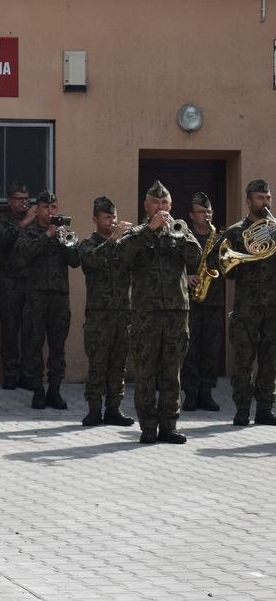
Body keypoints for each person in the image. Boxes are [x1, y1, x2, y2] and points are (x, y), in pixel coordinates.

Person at [116, 180, 201, 443]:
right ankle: (148, 427)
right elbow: (122, 256)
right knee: (145, 372)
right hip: (146, 313)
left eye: (165, 203)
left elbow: (195, 257)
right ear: (146, 205)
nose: (161, 207)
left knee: (171, 372)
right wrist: (150, 230)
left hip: (176, 311)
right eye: (156, 202)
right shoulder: (137, 232)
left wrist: (183, 234)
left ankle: (169, 425)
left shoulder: (180, 230)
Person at [219, 179, 276, 426]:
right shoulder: (235, 232)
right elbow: (226, 270)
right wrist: (243, 259)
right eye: (260, 198)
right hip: (246, 308)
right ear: (248, 201)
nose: (264, 203)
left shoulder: (275, 230)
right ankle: (242, 409)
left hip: (272, 306)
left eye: (268, 198)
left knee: (270, 360)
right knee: (243, 360)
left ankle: (265, 409)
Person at [16, 190, 79, 410]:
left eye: (53, 207)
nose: (50, 211)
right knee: (33, 344)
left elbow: (75, 261)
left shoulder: (64, 233)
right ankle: (38, 391)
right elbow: (24, 254)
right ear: (38, 209)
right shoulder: (30, 232)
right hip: (36, 296)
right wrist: (47, 235)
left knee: (57, 346)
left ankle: (55, 390)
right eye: (45, 207)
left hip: (59, 297)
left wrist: (65, 240)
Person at [77, 196, 135, 426]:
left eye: (114, 216)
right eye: (107, 217)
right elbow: (92, 261)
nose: (112, 221)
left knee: (118, 364)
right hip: (99, 314)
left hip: (123, 312)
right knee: (98, 363)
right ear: (95, 219)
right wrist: (114, 238)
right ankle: (94, 409)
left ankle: (114, 409)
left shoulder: (124, 244)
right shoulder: (87, 244)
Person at [0, 182, 37, 389]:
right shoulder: (3, 222)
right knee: (10, 332)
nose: (24, 203)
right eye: (19, 199)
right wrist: (24, 223)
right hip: (10, 285)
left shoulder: (36, 223)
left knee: (30, 332)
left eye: (26, 199)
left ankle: (27, 374)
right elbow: (1, 242)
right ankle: (10, 374)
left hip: (31, 284)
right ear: (10, 201)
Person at [182, 192, 223, 412]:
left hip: (214, 301)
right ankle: (190, 393)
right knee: (190, 349)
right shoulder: (183, 237)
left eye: (208, 211)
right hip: (190, 302)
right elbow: (173, 266)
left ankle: (206, 392)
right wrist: (185, 277)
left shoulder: (220, 239)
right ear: (191, 215)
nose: (206, 215)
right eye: (201, 211)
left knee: (211, 349)